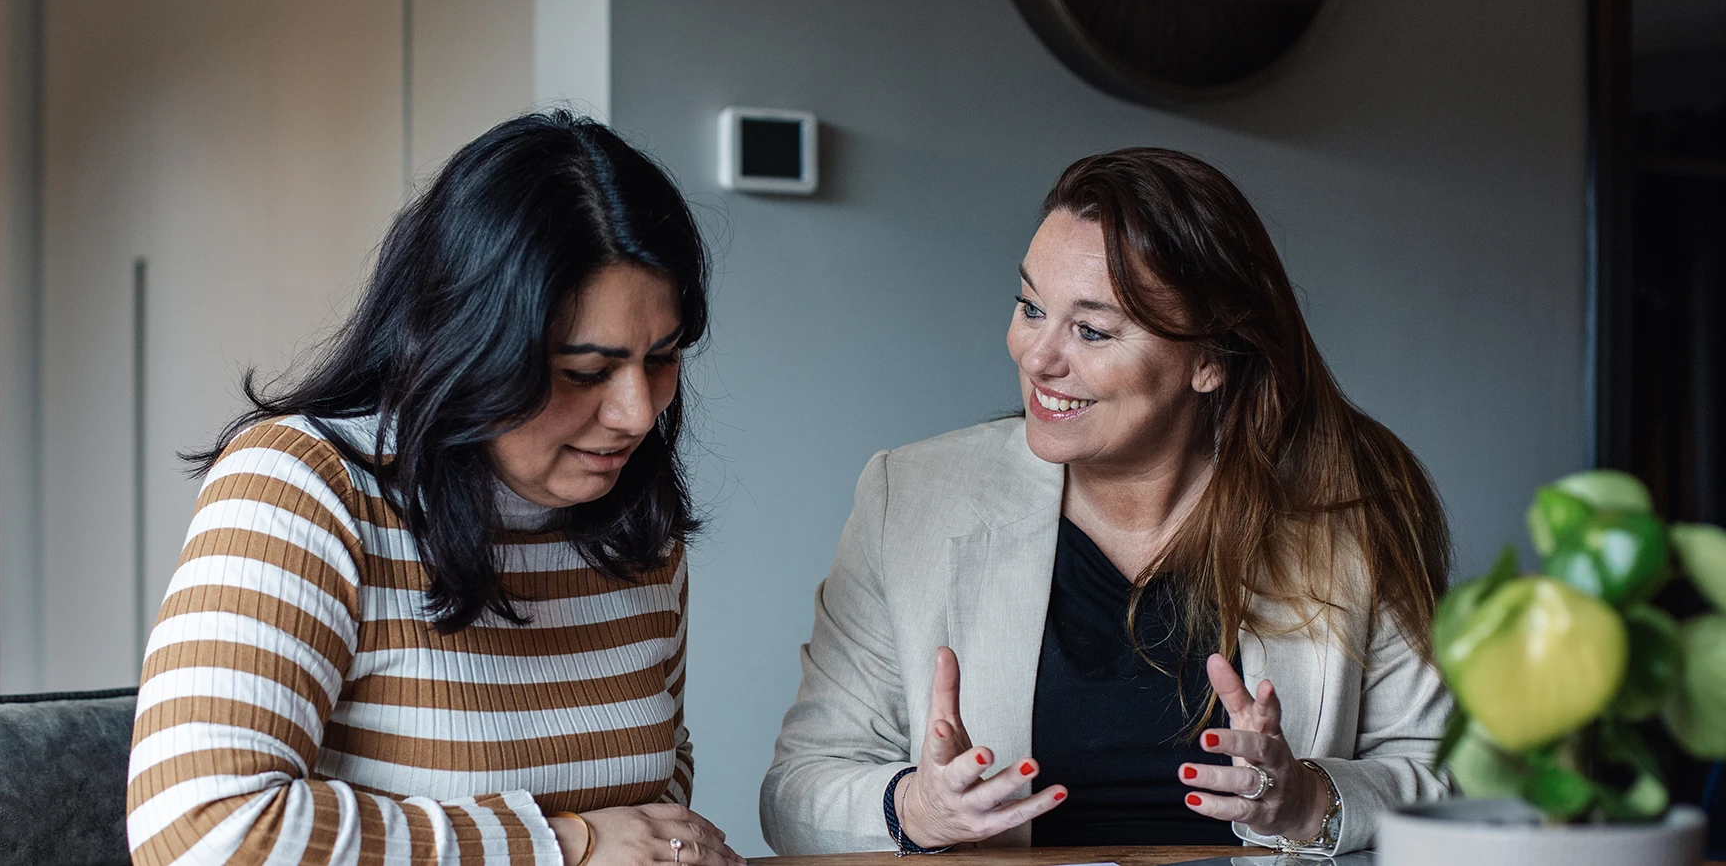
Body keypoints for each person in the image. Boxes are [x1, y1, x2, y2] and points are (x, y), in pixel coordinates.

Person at [760, 148, 1453, 856]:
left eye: (1091, 330)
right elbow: (794, 796)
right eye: (1031, 307)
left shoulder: (1353, 509)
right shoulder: (907, 499)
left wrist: (1310, 801)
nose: (1036, 356)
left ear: (1210, 360)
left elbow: (1447, 779)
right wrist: (915, 809)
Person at [127, 112, 743, 866]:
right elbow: (201, 832)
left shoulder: (637, 523)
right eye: (583, 371)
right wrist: (559, 845)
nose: (637, 413)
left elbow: (653, 798)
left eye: (663, 358)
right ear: (463, 342)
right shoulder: (304, 487)